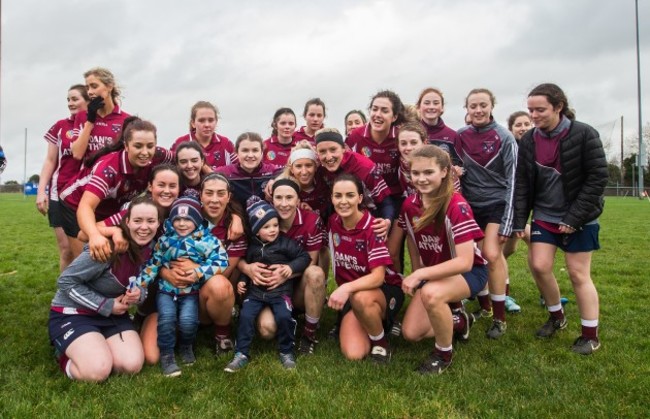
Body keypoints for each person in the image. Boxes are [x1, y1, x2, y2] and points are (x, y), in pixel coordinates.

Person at [514, 83, 607, 355]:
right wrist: (520, 220)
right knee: (540, 266)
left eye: (540, 109)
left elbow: (598, 178)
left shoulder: (585, 134)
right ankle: (557, 317)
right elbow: (522, 182)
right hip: (544, 214)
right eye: (531, 110)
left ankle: (590, 335)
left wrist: (574, 217)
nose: (534, 115)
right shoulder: (529, 139)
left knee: (578, 274)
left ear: (558, 107)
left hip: (580, 215)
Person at [390, 145, 487, 374]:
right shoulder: (409, 204)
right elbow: (413, 241)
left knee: (433, 295)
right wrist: (417, 270)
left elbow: (465, 262)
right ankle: (458, 320)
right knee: (411, 333)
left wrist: (421, 274)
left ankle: (443, 354)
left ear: (444, 172)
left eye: (428, 172)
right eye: (416, 173)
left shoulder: (457, 205)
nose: (421, 179)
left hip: (469, 272)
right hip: (435, 273)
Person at [47, 195, 159, 382]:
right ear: (127, 222)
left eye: (151, 221)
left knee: (131, 365)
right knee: (97, 371)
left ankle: (95, 345)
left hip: (112, 315)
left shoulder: (152, 248)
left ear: (158, 224)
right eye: (138, 221)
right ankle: (64, 354)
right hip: (74, 312)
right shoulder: (108, 246)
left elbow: (142, 283)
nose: (144, 227)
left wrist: (139, 294)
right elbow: (66, 281)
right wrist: (105, 305)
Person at [138, 196, 228, 376]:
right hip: (166, 291)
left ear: (196, 220)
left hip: (191, 292)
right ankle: (167, 354)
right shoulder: (165, 241)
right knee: (167, 319)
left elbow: (221, 261)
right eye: (177, 219)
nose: (182, 224)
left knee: (188, 321)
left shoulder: (208, 241)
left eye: (187, 219)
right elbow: (153, 264)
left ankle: (187, 346)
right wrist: (139, 284)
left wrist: (198, 272)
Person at [60, 117, 173, 259]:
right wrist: (94, 235)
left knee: (111, 256)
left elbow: (182, 158)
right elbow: (86, 206)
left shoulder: (158, 154)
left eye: (150, 146)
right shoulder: (109, 169)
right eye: (138, 146)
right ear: (126, 146)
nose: (145, 152)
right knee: (90, 254)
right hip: (75, 204)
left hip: (108, 206)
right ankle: (70, 280)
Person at [456, 88, 517, 339]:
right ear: (467, 109)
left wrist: (509, 221)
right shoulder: (460, 137)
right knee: (473, 256)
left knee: (492, 254)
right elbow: (452, 166)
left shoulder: (505, 137)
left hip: (497, 203)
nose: (478, 110)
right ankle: (485, 309)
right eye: (473, 106)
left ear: (492, 106)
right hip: (471, 206)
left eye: (483, 105)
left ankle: (500, 318)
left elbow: (514, 180)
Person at [241, 178, 327, 355]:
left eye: (290, 198)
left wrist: (285, 273)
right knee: (266, 330)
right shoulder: (260, 218)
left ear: (298, 200)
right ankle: (285, 318)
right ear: (272, 200)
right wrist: (247, 269)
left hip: (298, 287)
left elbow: (310, 260)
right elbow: (242, 254)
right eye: (279, 198)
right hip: (268, 290)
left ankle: (309, 334)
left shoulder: (312, 221)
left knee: (316, 273)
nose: (284, 203)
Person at [225, 200, 312, 372]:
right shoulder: (252, 247)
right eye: (266, 227)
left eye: (275, 225)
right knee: (246, 316)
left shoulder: (285, 243)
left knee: (284, 317)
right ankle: (241, 353)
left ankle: (286, 351)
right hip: (255, 293)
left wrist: (290, 267)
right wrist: (243, 280)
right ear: (257, 231)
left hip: (280, 292)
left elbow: (304, 258)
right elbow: (248, 266)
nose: (272, 230)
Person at [327, 173, 404, 363]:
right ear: (332, 198)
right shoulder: (333, 222)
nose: (343, 201)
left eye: (350, 195)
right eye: (338, 196)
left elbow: (378, 278)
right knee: (354, 354)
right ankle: (377, 324)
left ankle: (382, 344)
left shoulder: (373, 227)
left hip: (383, 289)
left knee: (360, 297)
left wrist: (345, 287)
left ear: (360, 198)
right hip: (353, 296)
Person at [36, 84, 90, 271]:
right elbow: (50, 161)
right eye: (68, 99)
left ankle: (88, 293)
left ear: (88, 100)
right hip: (59, 194)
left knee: (85, 249)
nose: (70, 103)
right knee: (66, 249)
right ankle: (66, 294)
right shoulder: (60, 126)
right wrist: (41, 191)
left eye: (75, 99)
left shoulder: (96, 127)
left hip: (87, 194)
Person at [315, 128, 395, 237]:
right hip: (340, 220)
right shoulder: (320, 168)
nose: (328, 157)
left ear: (343, 148)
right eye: (322, 151)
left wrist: (387, 221)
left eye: (333, 149)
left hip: (369, 221)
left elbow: (385, 201)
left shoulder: (365, 167)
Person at [346, 90, 407, 206]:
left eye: (384, 111)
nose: (377, 114)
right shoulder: (356, 136)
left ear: (394, 117)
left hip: (394, 197)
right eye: (374, 109)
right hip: (364, 199)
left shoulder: (401, 137)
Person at [70, 67, 129, 162]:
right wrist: (90, 122)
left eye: (94, 86)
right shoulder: (82, 116)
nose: (89, 92)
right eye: (87, 88)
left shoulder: (127, 120)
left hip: (113, 175)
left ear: (109, 86)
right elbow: (77, 154)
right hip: (88, 175)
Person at [216, 132, 283, 208]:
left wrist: (275, 179)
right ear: (237, 153)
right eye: (245, 150)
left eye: (255, 150)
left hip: (265, 216)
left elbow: (287, 172)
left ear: (261, 153)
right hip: (235, 216)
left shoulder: (271, 171)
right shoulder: (225, 173)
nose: (250, 155)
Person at [170, 101, 236, 170]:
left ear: (216, 122)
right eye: (201, 120)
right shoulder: (180, 142)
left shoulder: (226, 143)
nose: (207, 125)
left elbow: (239, 168)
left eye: (211, 120)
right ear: (193, 123)